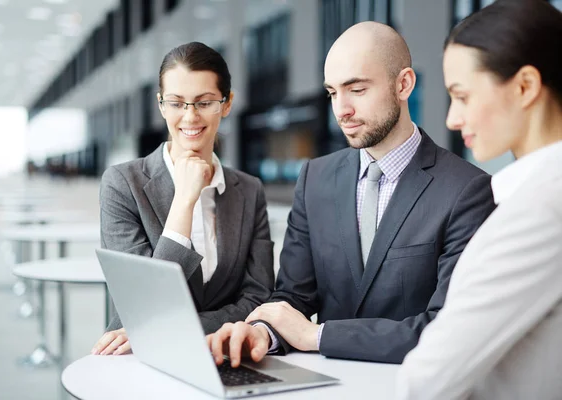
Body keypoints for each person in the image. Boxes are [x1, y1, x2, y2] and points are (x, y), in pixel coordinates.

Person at [207, 21, 496, 368]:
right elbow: (292, 298)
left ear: (403, 84)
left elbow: (447, 328)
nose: (340, 110)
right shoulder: (315, 178)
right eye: (332, 92)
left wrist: (318, 336)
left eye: (356, 90)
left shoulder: (467, 190)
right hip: (325, 386)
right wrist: (262, 332)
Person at [397, 1, 562, 398]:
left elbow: (429, 379)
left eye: (463, 96)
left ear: (525, 87)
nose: (452, 118)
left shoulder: (542, 207)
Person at [91, 42, 275, 356]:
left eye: (204, 102)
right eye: (177, 103)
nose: (189, 117)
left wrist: (178, 328)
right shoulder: (122, 184)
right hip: (139, 357)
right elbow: (143, 305)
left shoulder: (249, 190)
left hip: (223, 357)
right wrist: (184, 201)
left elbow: (258, 299)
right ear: (161, 105)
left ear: (226, 104)